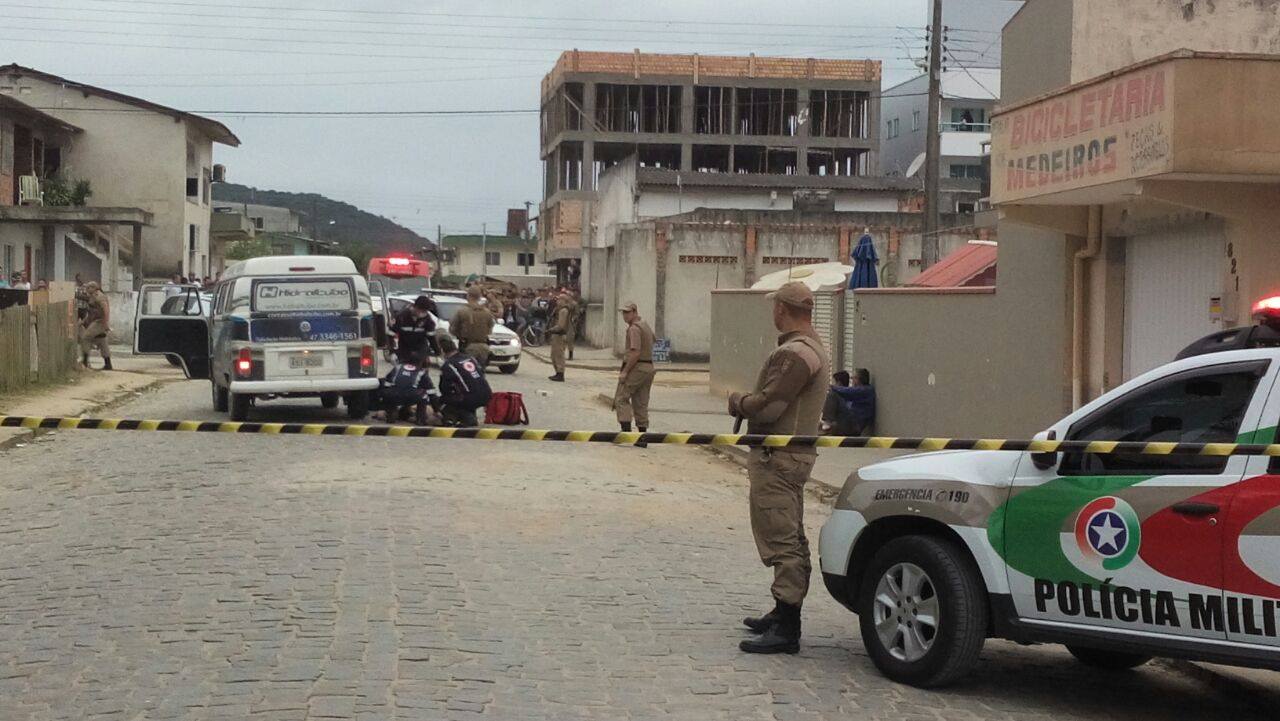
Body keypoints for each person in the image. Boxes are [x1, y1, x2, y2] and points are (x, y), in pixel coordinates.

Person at [728, 281, 830, 655]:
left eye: (775, 307)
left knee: (782, 536)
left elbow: (770, 407)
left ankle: (788, 626)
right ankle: (783, 610)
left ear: (783, 310)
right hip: (788, 455)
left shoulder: (795, 354)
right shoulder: (811, 347)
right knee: (788, 532)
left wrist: (738, 401)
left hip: (779, 456)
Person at [614, 302, 657, 444]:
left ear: (634, 312)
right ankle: (642, 437)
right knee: (641, 401)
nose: (624, 316)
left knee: (622, 397)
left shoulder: (634, 329)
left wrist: (625, 372)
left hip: (637, 367)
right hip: (649, 367)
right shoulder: (644, 324)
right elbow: (654, 340)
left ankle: (626, 433)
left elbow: (635, 352)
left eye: (627, 312)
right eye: (623, 313)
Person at [436, 335, 492, 427]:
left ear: (442, 351)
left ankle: (459, 418)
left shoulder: (449, 365)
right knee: (467, 390)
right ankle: (469, 414)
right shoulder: (470, 358)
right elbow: (481, 374)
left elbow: (444, 388)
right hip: (487, 394)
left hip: (470, 398)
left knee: (443, 401)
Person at [374, 351, 440, 425]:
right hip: (410, 397)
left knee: (390, 392)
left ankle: (390, 416)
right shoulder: (421, 372)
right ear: (420, 362)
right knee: (424, 394)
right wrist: (437, 410)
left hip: (393, 396)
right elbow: (431, 393)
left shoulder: (397, 367)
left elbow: (386, 385)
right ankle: (420, 420)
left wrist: (382, 399)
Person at [821, 368, 876, 436]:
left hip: (855, 425)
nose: (852, 381)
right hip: (852, 423)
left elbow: (847, 391)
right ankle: (828, 425)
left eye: (853, 378)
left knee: (833, 394)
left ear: (859, 379)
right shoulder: (860, 391)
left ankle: (828, 421)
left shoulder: (866, 390)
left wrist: (831, 386)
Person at [452, 286, 494, 366]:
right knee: (480, 373)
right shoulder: (487, 312)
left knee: (467, 373)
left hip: (467, 347)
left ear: (468, 295)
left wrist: (460, 335)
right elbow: (490, 329)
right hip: (484, 347)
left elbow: (453, 329)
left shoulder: (462, 311)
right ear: (479, 297)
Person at [391, 295, 437, 364]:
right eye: (421, 310)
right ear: (415, 307)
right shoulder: (401, 317)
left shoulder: (427, 320)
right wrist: (392, 352)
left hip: (420, 353)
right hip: (404, 352)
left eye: (425, 311)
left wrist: (438, 353)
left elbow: (431, 338)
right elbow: (391, 333)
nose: (422, 313)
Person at [80, 280, 112, 370]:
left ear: (94, 288)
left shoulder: (99, 296)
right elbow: (91, 312)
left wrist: (105, 323)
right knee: (102, 341)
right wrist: (83, 321)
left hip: (100, 321)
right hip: (97, 321)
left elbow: (106, 310)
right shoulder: (93, 296)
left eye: (89, 287)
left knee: (86, 337)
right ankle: (108, 363)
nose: (87, 289)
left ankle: (85, 361)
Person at [547, 292, 572, 382]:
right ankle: (558, 372)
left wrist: (551, 330)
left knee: (558, 354)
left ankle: (560, 373)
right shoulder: (560, 310)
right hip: (558, 334)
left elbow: (561, 325)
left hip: (559, 334)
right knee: (554, 354)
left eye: (559, 299)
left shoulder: (563, 311)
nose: (557, 301)